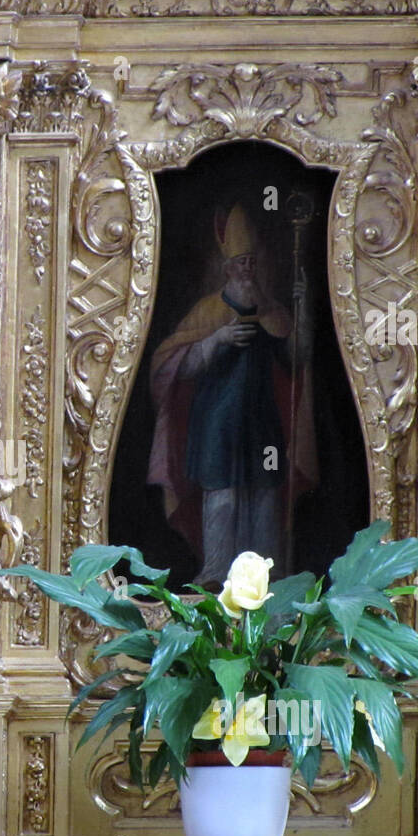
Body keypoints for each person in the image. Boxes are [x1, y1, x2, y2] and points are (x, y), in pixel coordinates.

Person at [147, 204, 315, 588]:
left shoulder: (271, 311)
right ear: (226, 269)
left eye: (252, 262)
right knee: (222, 498)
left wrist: (302, 314)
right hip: (217, 424)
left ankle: (265, 575)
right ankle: (217, 573)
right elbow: (171, 366)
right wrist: (215, 341)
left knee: (264, 497)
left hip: (260, 423)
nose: (247, 269)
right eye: (240, 262)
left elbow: (294, 359)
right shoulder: (208, 312)